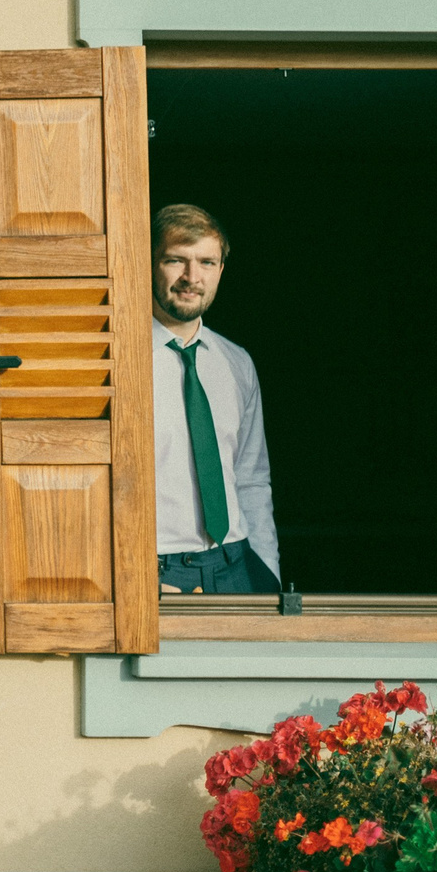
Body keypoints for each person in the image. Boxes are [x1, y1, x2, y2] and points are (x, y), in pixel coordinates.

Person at [150, 205, 281, 595]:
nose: (192, 277)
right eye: (176, 260)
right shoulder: (116, 361)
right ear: (149, 262)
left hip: (236, 568)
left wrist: (267, 574)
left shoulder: (236, 363)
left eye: (207, 262)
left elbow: (252, 478)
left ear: (221, 270)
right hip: (157, 573)